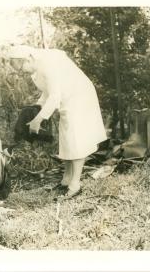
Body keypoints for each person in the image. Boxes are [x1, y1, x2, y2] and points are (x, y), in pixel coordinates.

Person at [6, 45, 107, 199]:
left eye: (21, 67)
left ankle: (75, 185)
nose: (21, 72)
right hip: (67, 98)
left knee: (76, 140)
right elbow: (47, 93)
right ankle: (66, 180)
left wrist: (38, 120)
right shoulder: (36, 68)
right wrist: (36, 109)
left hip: (79, 96)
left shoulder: (48, 64)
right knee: (66, 139)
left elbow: (54, 96)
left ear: (28, 59)